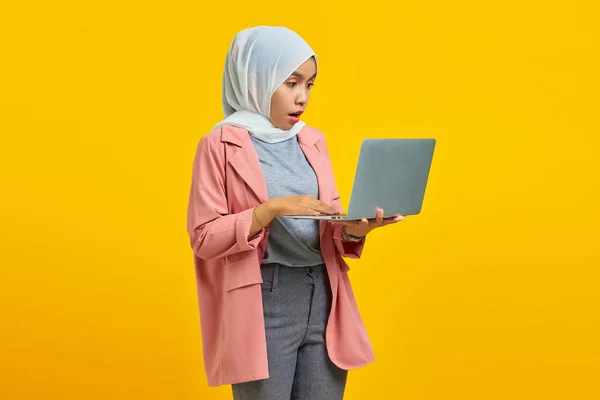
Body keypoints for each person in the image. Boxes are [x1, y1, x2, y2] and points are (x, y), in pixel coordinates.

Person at [186, 25, 403, 400]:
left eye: (310, 84)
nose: (302, 97)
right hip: (264, 299)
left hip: (325, 294)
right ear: (256, 79)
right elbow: (204, 237)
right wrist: (269, 210)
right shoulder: (219, 144)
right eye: (291, 82)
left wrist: (355, 230)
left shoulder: (312, 139)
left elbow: (326, 222)